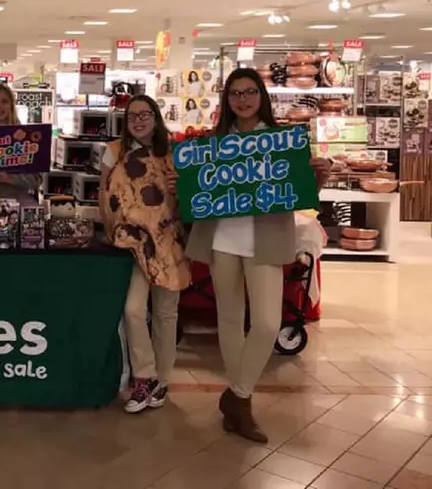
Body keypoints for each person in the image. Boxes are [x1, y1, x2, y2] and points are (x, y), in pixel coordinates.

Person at [168, 68, 330, 443]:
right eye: (236, 93)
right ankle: (241, 405)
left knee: (268, 324)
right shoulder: (213, 144)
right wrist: (183, 186)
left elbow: (299, 190)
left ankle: (237, 394)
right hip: (223, 239)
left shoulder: (282, 141)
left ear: (262, 97)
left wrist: (317, 177)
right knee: (228, 320)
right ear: (227, 100)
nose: (243, 99)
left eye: (250, 92)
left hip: (266, 239)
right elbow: (193, 194)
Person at [100, 95, 189, 414]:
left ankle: (162, 380)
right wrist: (114, 232)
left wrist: (184, 190)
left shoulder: (176, 153)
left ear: (156, 117)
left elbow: (189, 200)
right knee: (133, 308)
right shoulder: (113, 152)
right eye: (132, 115)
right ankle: (145, 376)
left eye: (145, 114)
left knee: (166, 313)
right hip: (135, 243)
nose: (138, 120)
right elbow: (104, 195)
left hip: (169, 242)